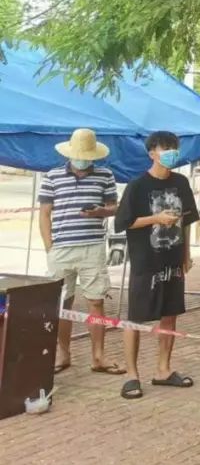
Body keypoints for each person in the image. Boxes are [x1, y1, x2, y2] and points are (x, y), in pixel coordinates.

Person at [114, 131, 200, 399]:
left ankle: (163, 369)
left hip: (173, 259)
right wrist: (156, 219)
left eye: (174, 148)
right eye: (165, 148)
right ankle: (131, 375)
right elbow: (123, 222)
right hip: (146, 261)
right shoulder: (137, 186)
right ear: (152, 153)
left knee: (170, 314)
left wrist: (186, 254)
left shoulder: (181, 182)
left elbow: (186, 221)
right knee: (136, 318)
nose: (171, 153)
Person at [38, 128, 124, 375]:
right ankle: (63, 353)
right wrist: (49, 247)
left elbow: (114, 207)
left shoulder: (105, 175)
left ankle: (98, 356)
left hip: (92, 248)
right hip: (61, 249)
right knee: (62, 303)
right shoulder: (52, 176)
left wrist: (101, 212)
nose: (83, 160)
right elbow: (44, 214)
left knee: (96, 300)